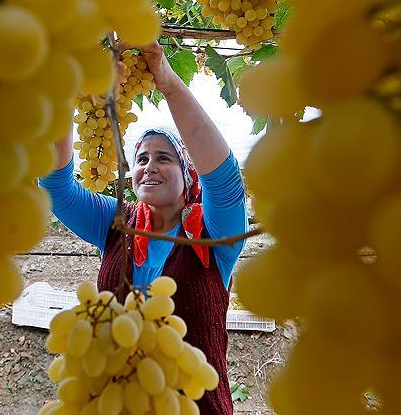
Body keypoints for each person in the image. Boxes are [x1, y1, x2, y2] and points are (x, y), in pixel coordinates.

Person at [39, 42, 247, 413]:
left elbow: (226, 181)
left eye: (164, 158)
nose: (149, 166)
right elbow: (57, 187)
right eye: (141, 158)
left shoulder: (212, 233)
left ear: (188, 176)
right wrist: (72, 87)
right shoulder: (119, 223)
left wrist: (167, 82)